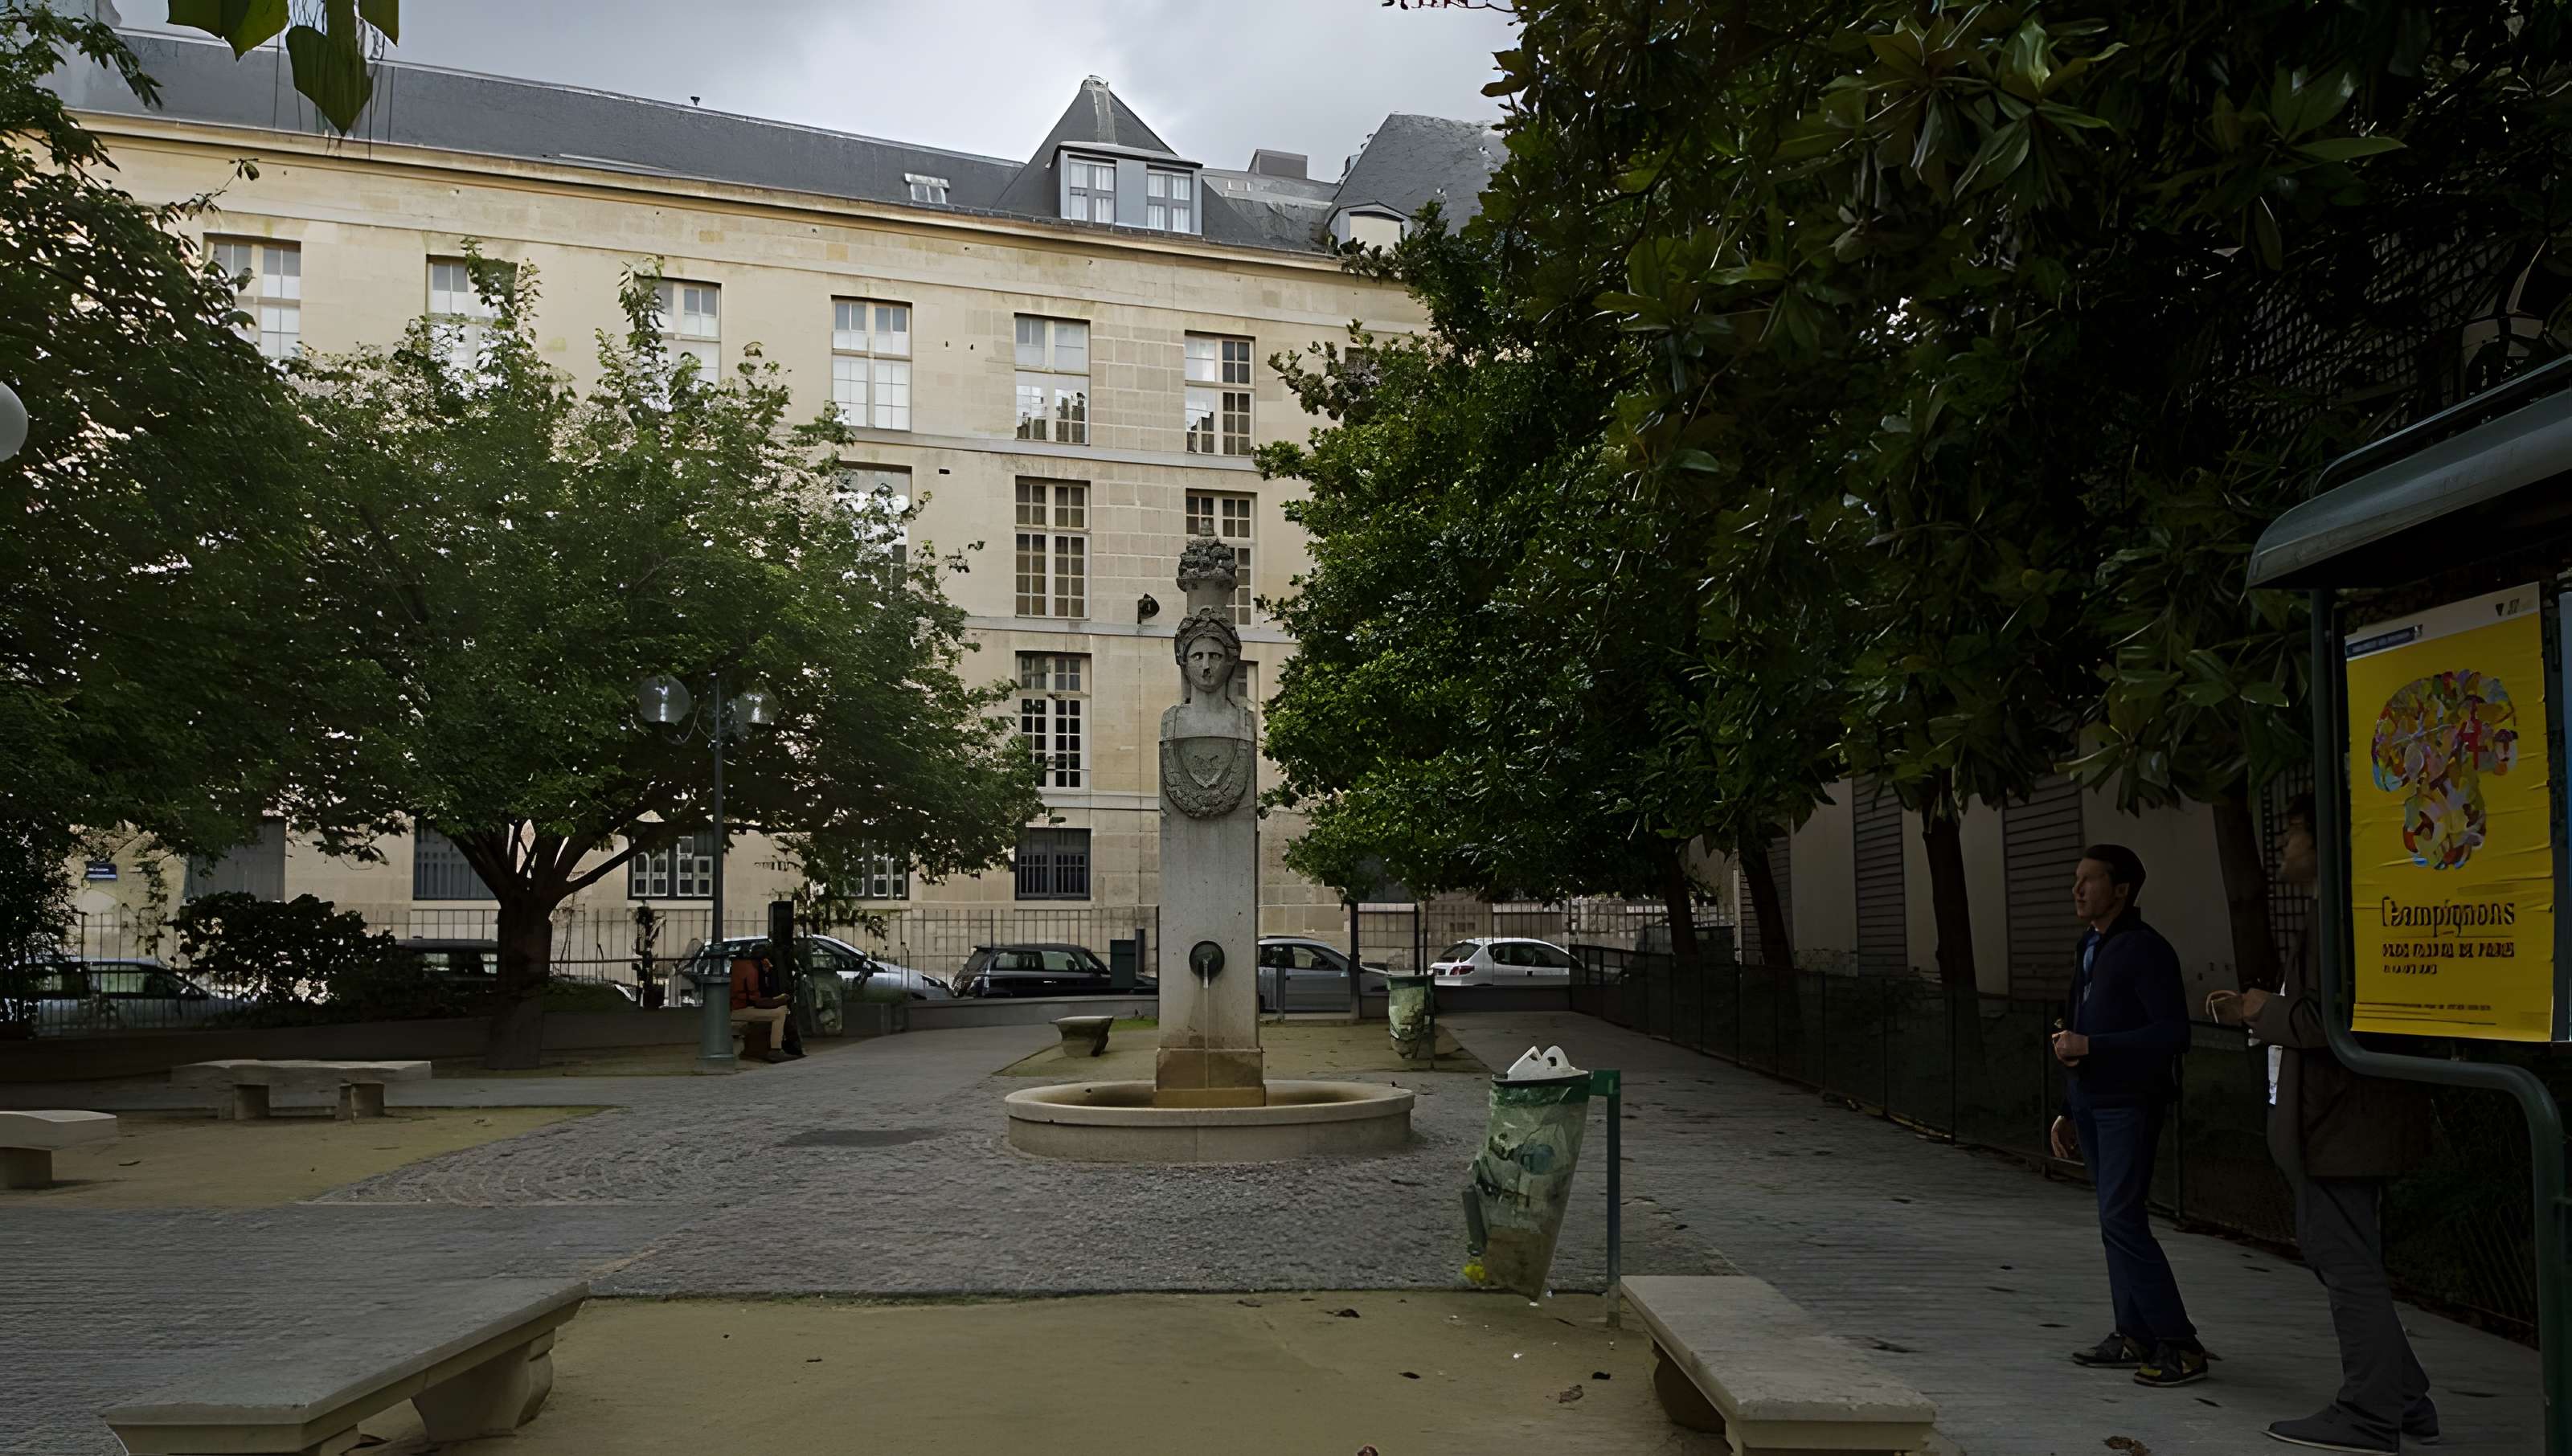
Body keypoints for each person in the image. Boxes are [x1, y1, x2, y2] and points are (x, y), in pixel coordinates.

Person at [2206, 795, 2435, 1453]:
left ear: (2331, 840)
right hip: (2336, 1124)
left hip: (2341, 1125)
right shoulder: (2336, 913)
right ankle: (2404, 1398)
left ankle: (2370, 1412)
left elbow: (2333, 1021)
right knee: (2339, 1256)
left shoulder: (2344, 916)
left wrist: (2262, 1010)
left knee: (2346, 1265)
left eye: (2297, 832)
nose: (2283, 843)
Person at [2049, 843, 2205, 1388]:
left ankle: (2179, 1344)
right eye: (2076, 879)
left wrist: (2094, 1047)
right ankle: (2133, 1333)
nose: (2077, 889)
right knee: (2113, 1222)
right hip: (2092, 1102)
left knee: (2123, 1220)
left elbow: (2172, 1033)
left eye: (2089, 880)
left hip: (2128, 1104)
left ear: (2121, 890)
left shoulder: (2144, 950)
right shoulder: (2089, 947)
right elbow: (2077, 1030)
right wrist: (2068, 1107)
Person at [728, 945, 792, 1064]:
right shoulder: (752, 971)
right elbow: (757, 999)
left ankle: (768, 1048)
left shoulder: (739, 966)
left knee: (781, 1008)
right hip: (740, 1010)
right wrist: (768, 973)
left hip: (739, 1007)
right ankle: (775, 1050)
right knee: (780, 1013)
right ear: (764, 959)